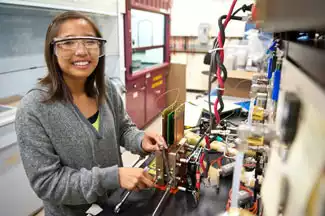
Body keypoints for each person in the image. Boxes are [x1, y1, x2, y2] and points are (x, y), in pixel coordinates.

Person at [15, 11, 167, 216]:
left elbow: (123, 128)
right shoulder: (33, 108)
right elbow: (48, 183)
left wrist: (141, 140)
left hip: (116, 204)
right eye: (68, 42)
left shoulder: (104, 87)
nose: (81, 51)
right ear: (53, 50)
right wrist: (113, 177)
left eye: (90, 41)